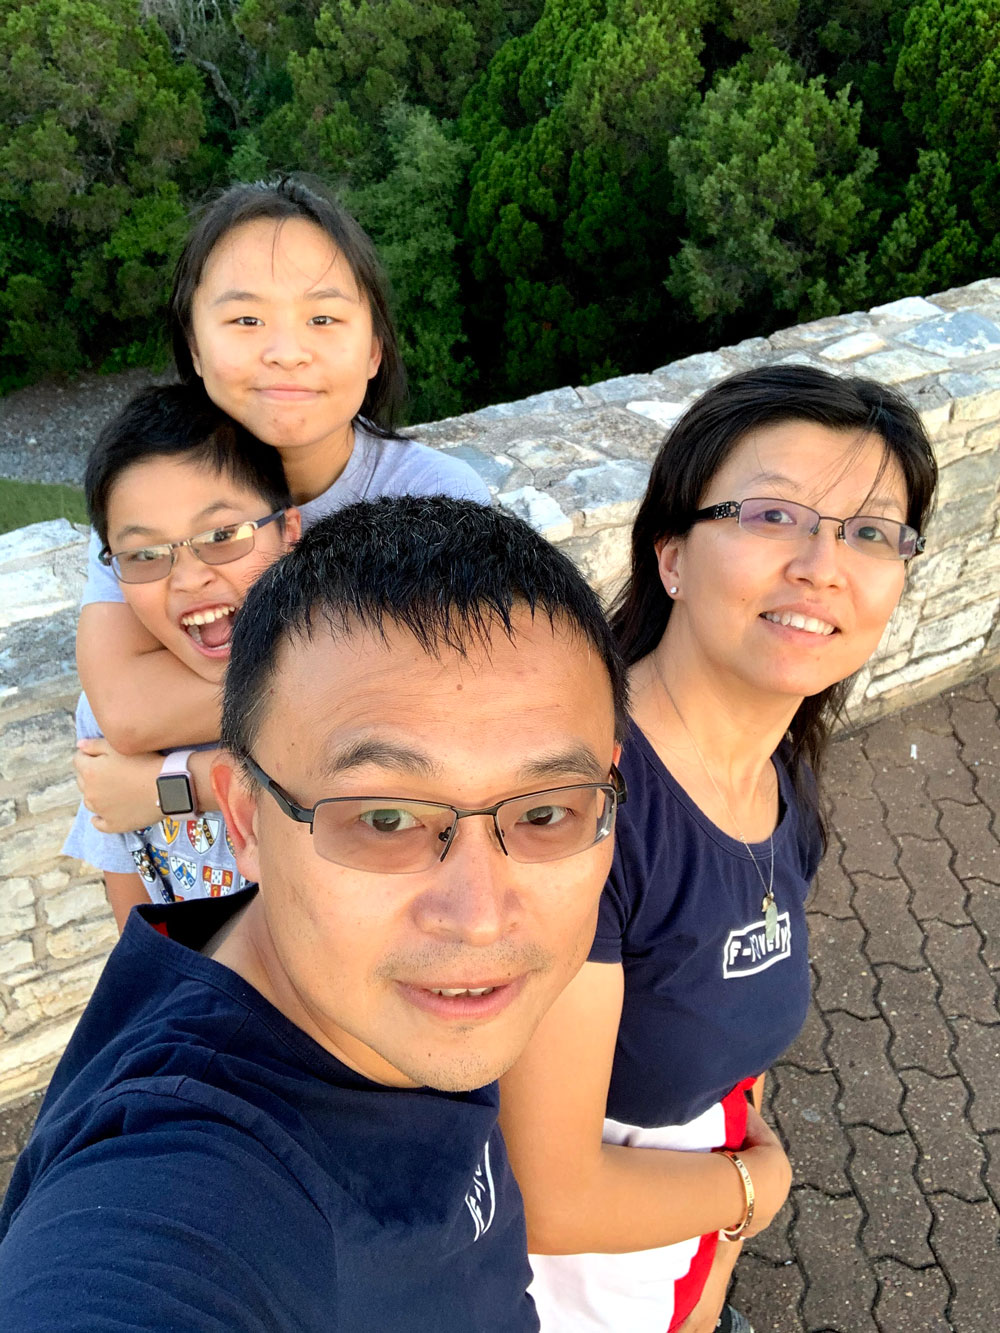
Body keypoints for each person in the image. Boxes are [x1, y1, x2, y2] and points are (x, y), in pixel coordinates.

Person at [1, 496, 627, 1331]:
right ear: (246, 820)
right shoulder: (178, 1181)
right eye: (384, 818)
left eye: (545, 811)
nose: (479, 917)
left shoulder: (369, 991)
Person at [499, 365, 938, 1333]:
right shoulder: (582, 813)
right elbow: (549, 1195)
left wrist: (715, 1255)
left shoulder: (782, 777)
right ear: (672, 558)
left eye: (869, 531)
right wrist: (752, 1190)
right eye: (773, 515)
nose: (823, 564)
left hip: (671, 1252)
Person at [72, 176, 489, 845]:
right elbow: (123, 709)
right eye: (245, 320)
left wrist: (181, 782)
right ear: (196, 348)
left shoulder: (436, 499)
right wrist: (358, 674)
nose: (286, 350)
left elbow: (440, 700)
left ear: (375, 348)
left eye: (323, 319)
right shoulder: (152, 496)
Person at [63, 384, 301, 928]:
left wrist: (171, 785)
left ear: (290, 531)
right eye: (145, 554)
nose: (190, 577)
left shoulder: (349, 699)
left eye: (222, 535)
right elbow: (141, 932)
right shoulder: (104, 719)